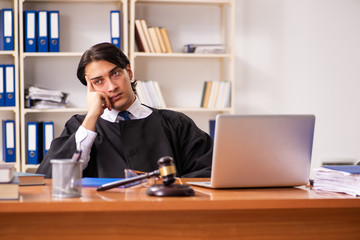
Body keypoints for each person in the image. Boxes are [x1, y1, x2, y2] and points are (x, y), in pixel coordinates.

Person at [36, 42, 213, 179]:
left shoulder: (175, 123)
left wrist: (170, 187)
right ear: (90, 89)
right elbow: (51, 179)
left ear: (129, 72)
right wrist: (91, 116)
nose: (111, 87)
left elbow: (210, 170)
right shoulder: (80, 127)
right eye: (98, 81)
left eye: (115, 74)